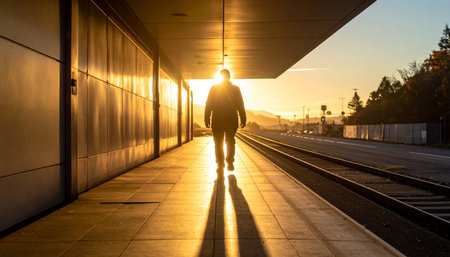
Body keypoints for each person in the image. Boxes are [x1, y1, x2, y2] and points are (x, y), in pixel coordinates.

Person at [204, 69, 246, 171]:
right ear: (229, 76)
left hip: (217, 119)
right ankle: (230, 162)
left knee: (218, 142)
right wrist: (243, 118)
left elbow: (208, 105)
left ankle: (220, 163)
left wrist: (207, 118)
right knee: (230, 141)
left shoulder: (214, 89)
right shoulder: (236, 89)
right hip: (231, 119)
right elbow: (241, 105)